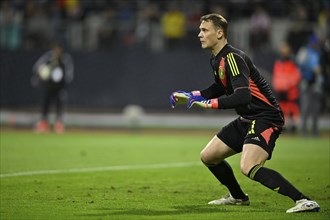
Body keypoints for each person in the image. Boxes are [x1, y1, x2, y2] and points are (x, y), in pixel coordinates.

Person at [170, 14, 320, 213]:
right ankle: (238, 197)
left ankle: (304, 201)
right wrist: (191, 95)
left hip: (266, 117)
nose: (199, 34)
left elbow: (243, 97)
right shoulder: (217, 59)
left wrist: (208, 104)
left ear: (220, 33)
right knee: (208, 156)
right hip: (247, 118)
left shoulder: (232, 58)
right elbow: (218, 87)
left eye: (204, 30)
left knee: (248, 166)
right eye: (200, 30)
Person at [31, 42, 74, 133]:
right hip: (49, 86)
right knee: (46, 104)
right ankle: (44, 123)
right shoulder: (48, 57)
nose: (57, 51)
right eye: (55, 49)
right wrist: (43, 74)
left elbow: (69, 75)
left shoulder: (65, 59)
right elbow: (37, 67)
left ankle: (59, 124)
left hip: (60, 87)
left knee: (60, 105)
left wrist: (63, 82)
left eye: (59, 49)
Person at [296, 35, 323, 137]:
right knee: (305, 108)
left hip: (316, 83)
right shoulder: (305, 51)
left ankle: (315, 132)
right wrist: (311, 67)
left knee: (315, 109)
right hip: (306, 82)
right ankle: (303, 131)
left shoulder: (319, 52)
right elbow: (299, 64)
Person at [272, 42, 301, 133]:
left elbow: (296, 76)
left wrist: (288, 84)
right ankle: (285, 126)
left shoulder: (293, 63)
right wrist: (280, 85)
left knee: (292, 108)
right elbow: (276, 77)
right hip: (281, 90)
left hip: (291, 91)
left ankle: (294, 127)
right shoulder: (278, 63)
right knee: (283, 108)